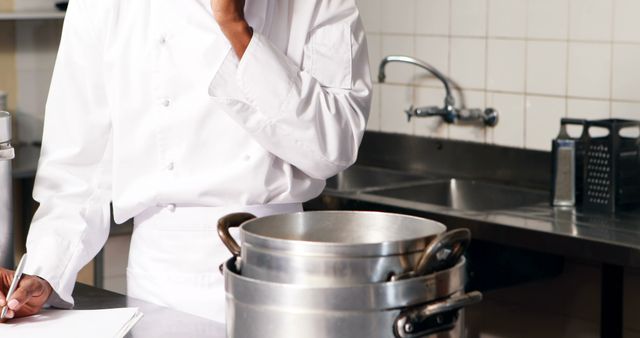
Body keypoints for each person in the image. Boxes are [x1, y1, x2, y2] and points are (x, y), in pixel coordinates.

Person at [0, 0, 371, 323]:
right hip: (163, 280)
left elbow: (333, 147)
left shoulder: (317, 3)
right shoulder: (105, 4)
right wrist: (45, 270)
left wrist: (235, 28)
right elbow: (79, 167)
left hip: (281, 266)